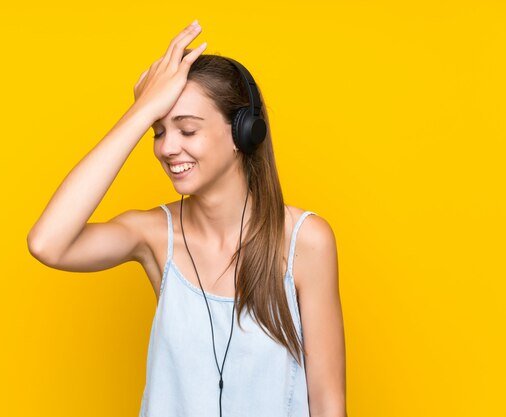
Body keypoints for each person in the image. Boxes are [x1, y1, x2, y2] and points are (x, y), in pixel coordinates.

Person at [27, 19, 346, 417]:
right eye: (158, 132)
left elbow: (329, 403)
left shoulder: (305, 241)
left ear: (243, 133)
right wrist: (140, 112)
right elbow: (47, 243)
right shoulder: (154, 235)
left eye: (187, 130)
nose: (167, 148)